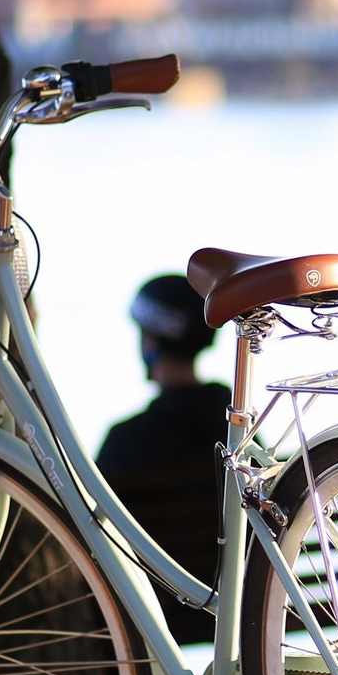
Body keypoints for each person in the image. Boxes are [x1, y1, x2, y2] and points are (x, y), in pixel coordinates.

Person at [96, 274, 230, 645]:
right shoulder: (238, 436)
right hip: (233, 605)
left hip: (145, 612)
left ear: (150, 341)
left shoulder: (125, 441)